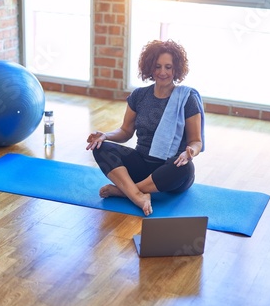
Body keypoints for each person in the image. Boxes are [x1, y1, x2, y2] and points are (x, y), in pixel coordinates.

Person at [86, 39, 205, 216]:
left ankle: (124, 192)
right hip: (141, 164)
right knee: (100, 148)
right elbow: (125, 132)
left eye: (168, 67)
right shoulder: (139, 95)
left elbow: (196, 141)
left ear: (176, 69)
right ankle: (137, 195)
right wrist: (105, 135)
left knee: (185, 168)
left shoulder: (187, 99)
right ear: (149, 67)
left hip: (171, 168)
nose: (162, 72)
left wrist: (190, 153)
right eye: (157, 66)